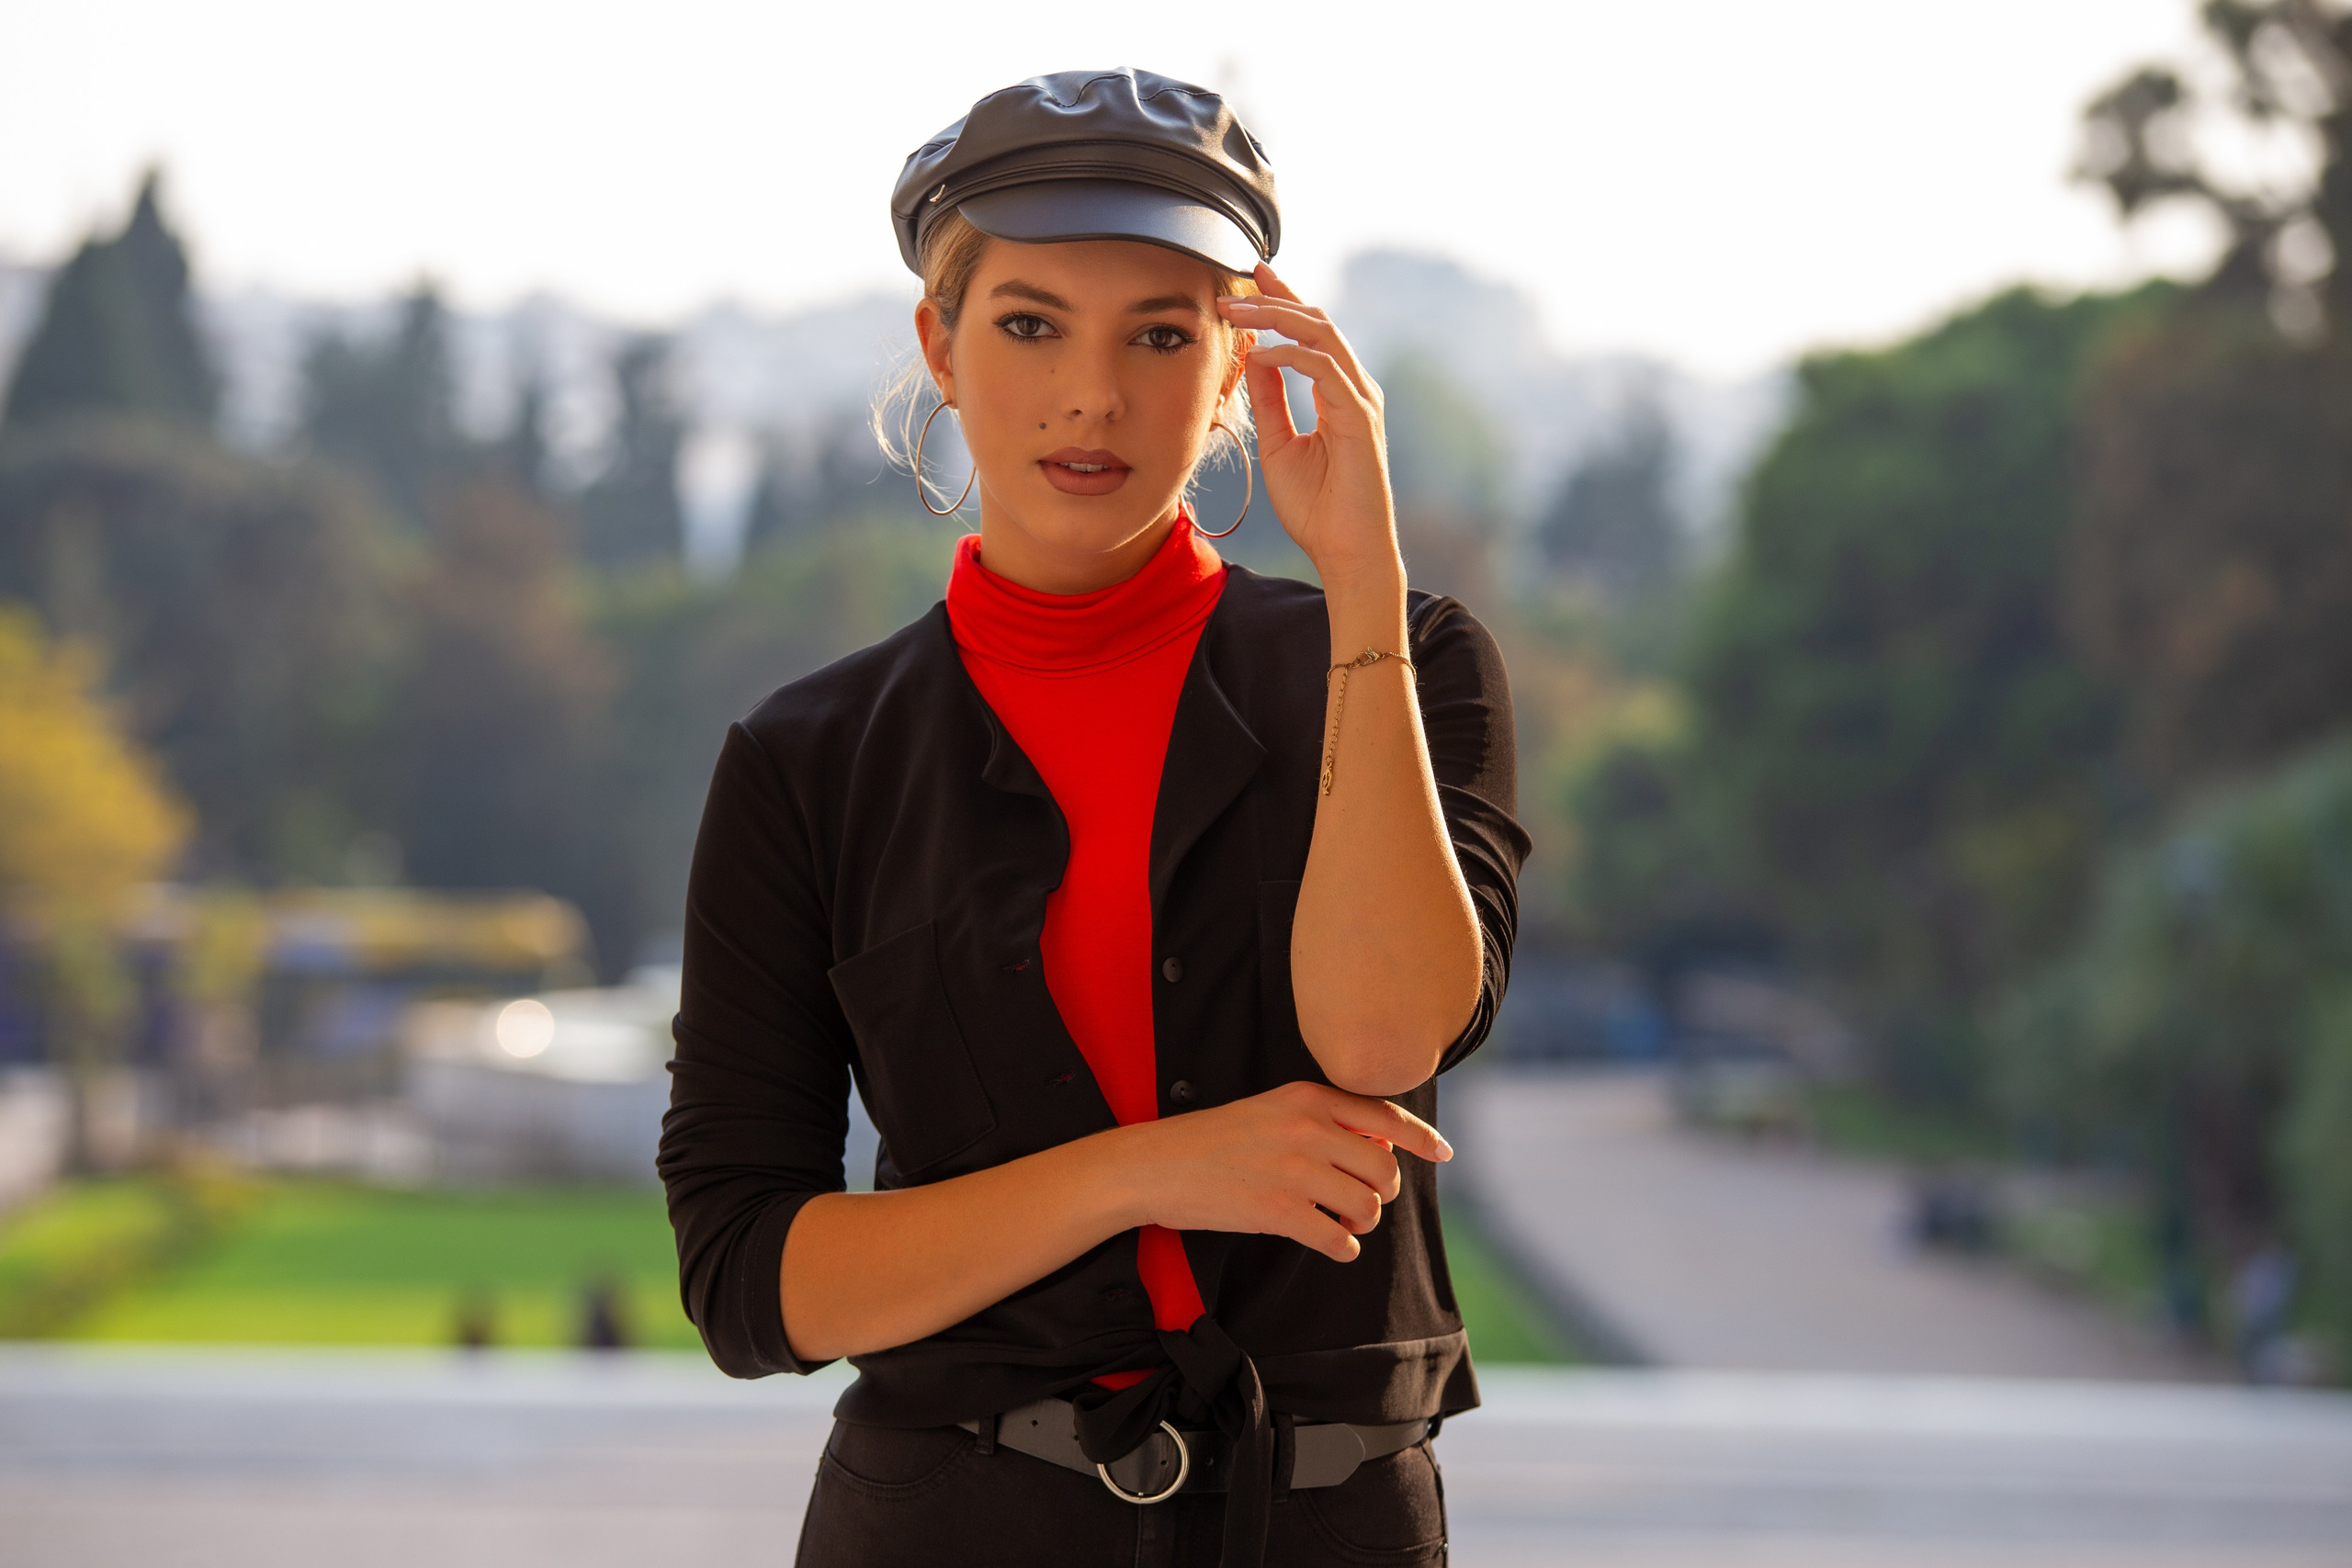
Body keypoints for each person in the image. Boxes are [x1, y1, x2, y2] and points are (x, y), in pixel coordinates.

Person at [657, 67, 1530, 1568]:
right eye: (1029, 323)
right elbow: (751, 1281)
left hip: (1324, 1530)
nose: (1093, 396)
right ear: (940, 341)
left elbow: (1385, 1041)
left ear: (1235, 361)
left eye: (1161, 334)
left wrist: (1363, 585)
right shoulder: (808, 759)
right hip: (946, 1524)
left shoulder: (1403, 665)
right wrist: (1144, 1171)